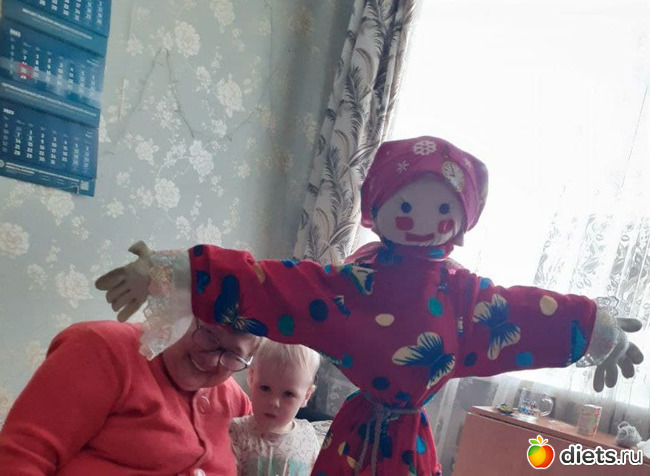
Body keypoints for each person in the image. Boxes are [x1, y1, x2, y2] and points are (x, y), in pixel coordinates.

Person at [95, 136, 644, 475]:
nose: (420, 221)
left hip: (410, 447)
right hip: (351, 442)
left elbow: (522, 314)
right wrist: (175, 271)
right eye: (405, 206)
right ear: (376, 208)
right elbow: (269, 284)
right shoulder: (346, 286)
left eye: (442, 210)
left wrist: (592, 328)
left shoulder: (467, 299)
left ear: (462, 219)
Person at [0, 317, 260, 475]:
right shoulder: (103, 348)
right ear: (179, 312)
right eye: (208, 337)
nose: (212, 359)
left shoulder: (236, 402)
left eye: (233, 355)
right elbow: (20, 459)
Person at [229, 339, 321, 475]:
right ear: (252, 380)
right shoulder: (236, 432)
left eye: (288, 394)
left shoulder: (308, 437)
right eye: (265, 388)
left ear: (306, 396)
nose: (274, 402)